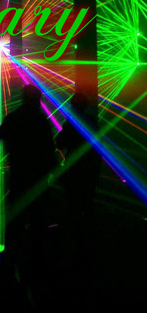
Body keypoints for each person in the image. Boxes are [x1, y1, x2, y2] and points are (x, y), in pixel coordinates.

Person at [0, 84, 57, 233]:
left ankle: (16, 242)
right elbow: (48, 147)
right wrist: (52, 167)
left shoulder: (14, 117)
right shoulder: (40, 120)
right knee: (38, 213)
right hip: (38, 173)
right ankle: (37, 242)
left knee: (18, 212)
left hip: (19, 171)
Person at [56, 92, 101, 244]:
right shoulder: (92, 121)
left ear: (73, 106)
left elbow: (60, 143)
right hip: (90, 166)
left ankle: (75, 236)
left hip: (75, 168)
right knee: (88, 202)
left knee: (73, 203)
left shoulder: (71, 123)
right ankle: (88, 236)